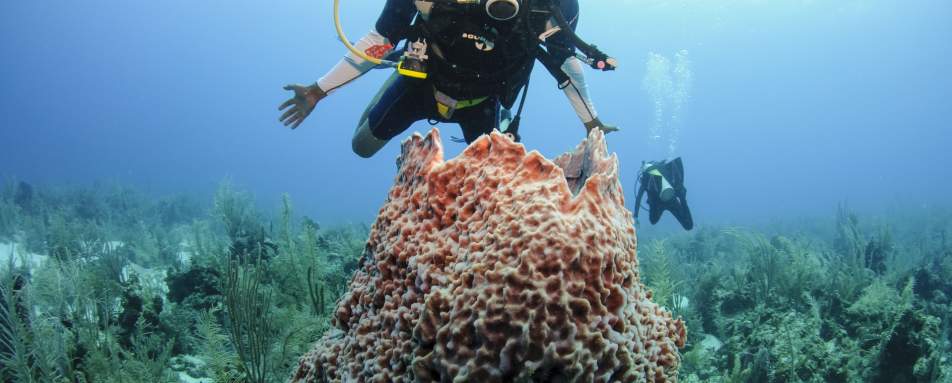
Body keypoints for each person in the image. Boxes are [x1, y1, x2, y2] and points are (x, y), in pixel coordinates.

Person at [279, 0, 618, 158]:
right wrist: (318, 91)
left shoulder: (552, 7)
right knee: (362, 148)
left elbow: (564, 61)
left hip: (484, 103)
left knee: (495, 180)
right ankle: (391, 80)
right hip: (422, 84)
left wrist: (591, 122)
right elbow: (379, 40)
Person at [634, 158, 694, 231]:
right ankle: (683, 199)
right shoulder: (663, 169)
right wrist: (682, 197)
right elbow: (677, 180)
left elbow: (638, 197)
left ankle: (653, 200)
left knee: (653, 220)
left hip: (658, 203)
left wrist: (636, 216)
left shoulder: (646, 176)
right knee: (688, 225)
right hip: (671, 199)